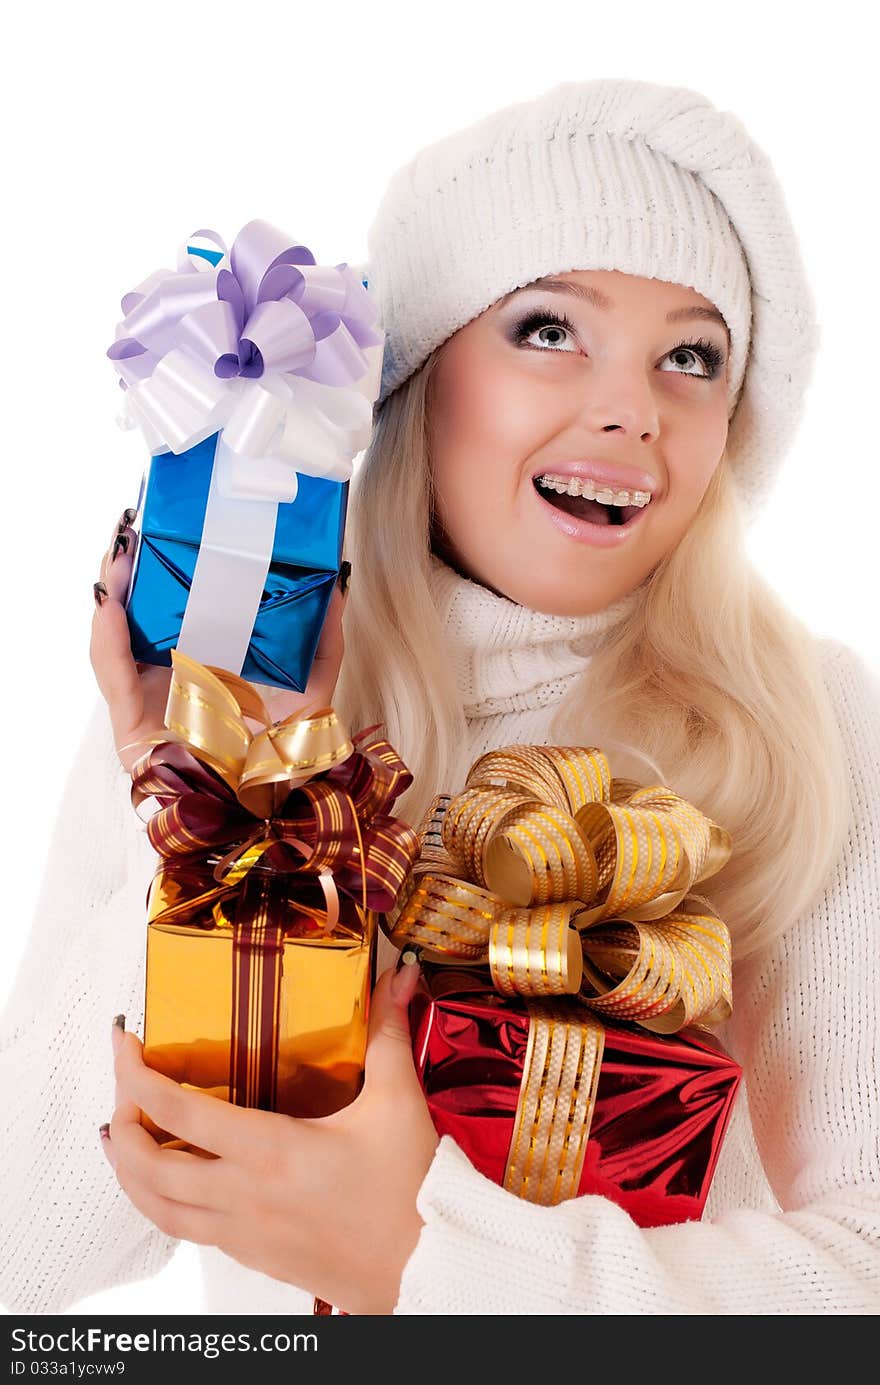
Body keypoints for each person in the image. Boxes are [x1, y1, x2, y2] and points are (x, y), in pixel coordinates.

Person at [2, 76, 878, 1317]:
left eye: (691, 356)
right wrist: (212, 814)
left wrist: (425, 1262)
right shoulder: (221, 702)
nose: (632, 408)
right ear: (419, 382)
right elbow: (28, 1255)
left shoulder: (799, 717)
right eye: (548, 328)